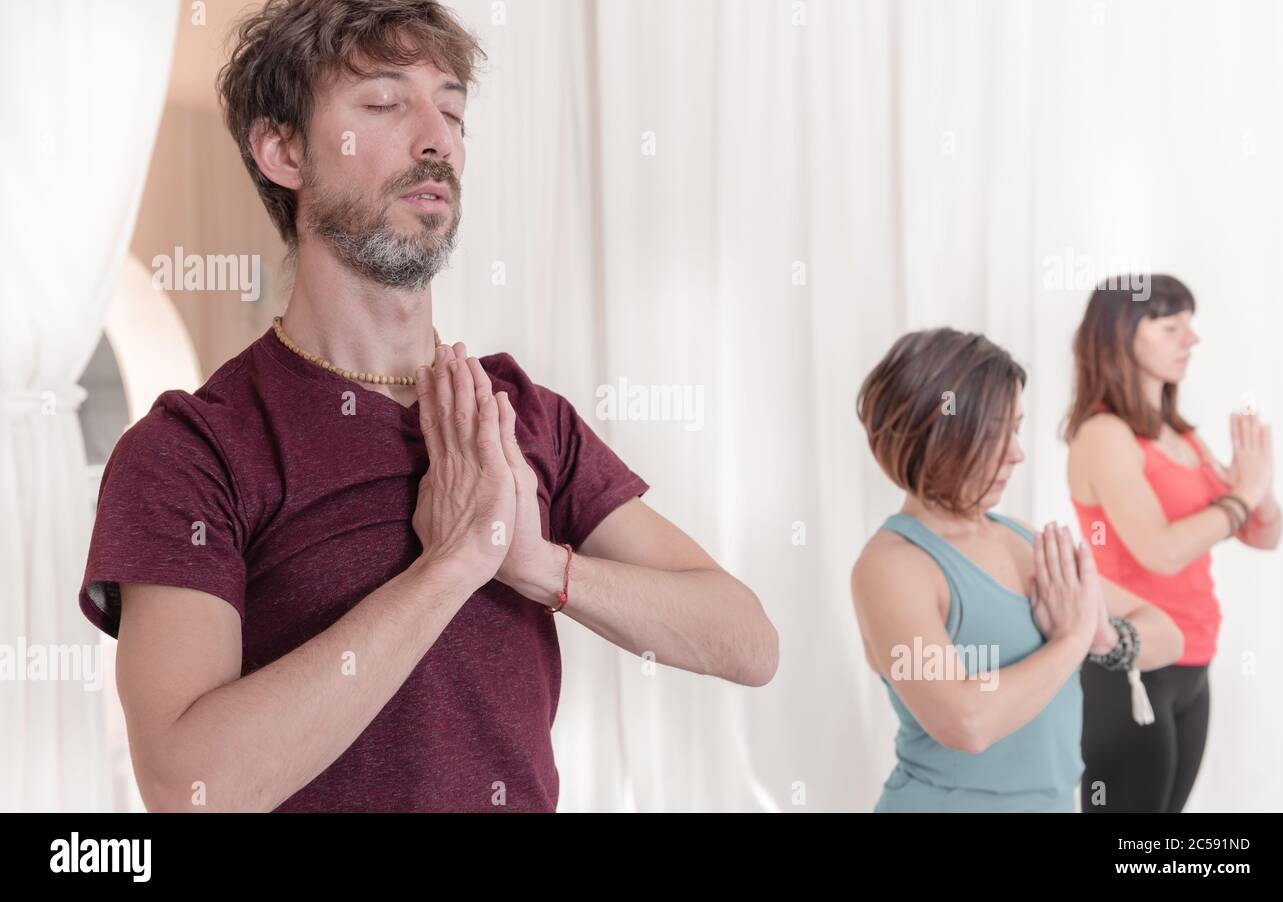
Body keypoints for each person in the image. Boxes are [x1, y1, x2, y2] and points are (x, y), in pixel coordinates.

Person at [77, 0, 777, 813]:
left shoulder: (520, 415)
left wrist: (537, 565)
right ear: (283, 150)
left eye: (451, 108)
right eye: (383, 103)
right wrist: (449, 568)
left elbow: (748, 641)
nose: (436, 138)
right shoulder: (193, 449)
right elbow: (187, 785)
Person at [851, 328, 1182, 812]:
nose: (1017, 452)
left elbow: (1167, 634)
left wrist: (1104, 639)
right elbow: (967, 721)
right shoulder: (892, 568)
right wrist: (1071, 641)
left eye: (1017, 428)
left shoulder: (1025, 539)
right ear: (935, 432)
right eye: (995, 432)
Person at [1065, 275, 1282, 812]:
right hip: (1130, 662)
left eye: (1190, 324)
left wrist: (1260, 488)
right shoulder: (1103, 435)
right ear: (1120, 336)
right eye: (1170, 326)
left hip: (1193, 658)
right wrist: (1239, 498)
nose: (1192, 339)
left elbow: (1263, 535)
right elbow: (1159, 549)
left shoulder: (1181, 436)